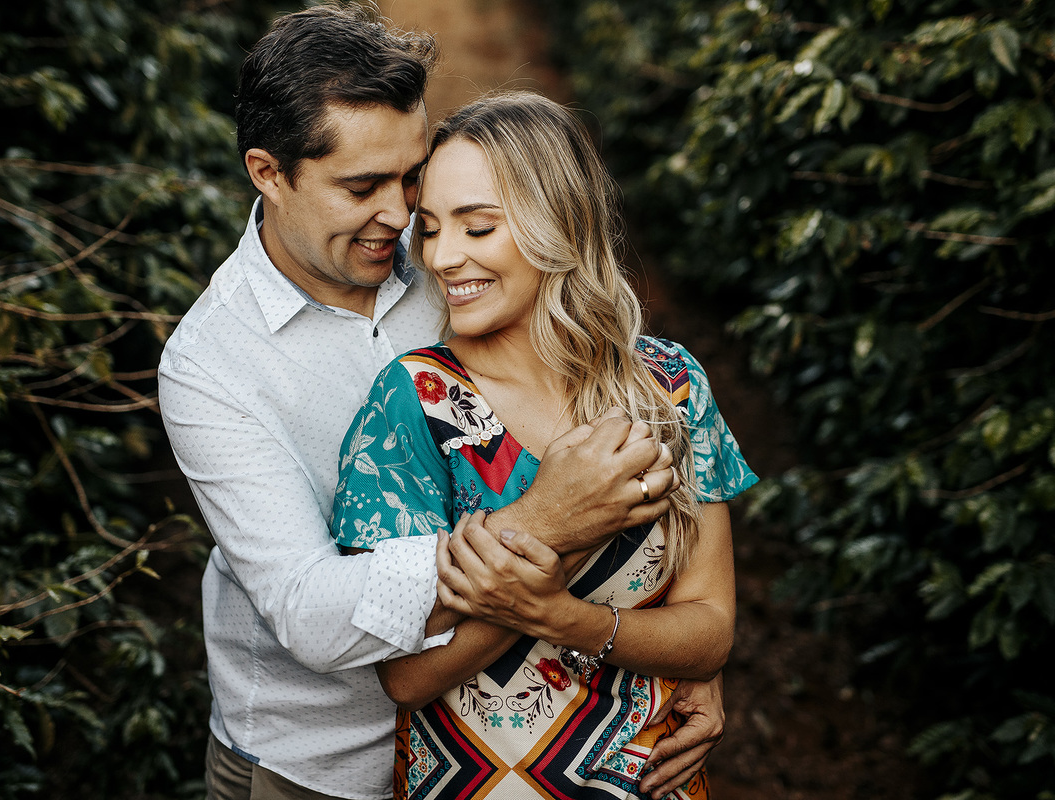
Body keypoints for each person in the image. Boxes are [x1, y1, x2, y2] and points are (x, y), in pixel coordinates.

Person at [158, 6, 725, 800]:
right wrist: (545, 525)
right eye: (362, 186)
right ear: (269, 172)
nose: (400, 218)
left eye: (411, 177)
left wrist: (680, 657)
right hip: (321, 762)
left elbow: (576, 361)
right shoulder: (211, 363)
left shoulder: (448, 263)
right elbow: (311, 612)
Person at [329, 92, 758, 800]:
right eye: (430, 229)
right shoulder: (414, 403)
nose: (442, 256)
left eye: (478, 227)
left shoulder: (671, 387)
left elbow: (710, 631)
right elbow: (405, 677)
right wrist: (560, 526)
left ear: (558, 221)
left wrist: (563, 618)